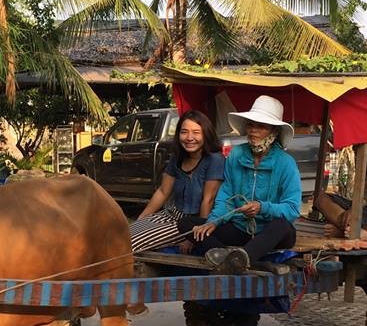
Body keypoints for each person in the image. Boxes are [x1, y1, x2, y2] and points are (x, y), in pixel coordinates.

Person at [178, 95, 301, 273]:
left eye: (261, 126)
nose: (253, 131)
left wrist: (262, 207)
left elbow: (292, 209)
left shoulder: (286, 163)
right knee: (187, 224)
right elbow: (225, 197)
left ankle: (239, 257)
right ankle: (239, 259)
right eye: (251, 125)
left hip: (269, 234)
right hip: (239, 229)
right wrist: (213, 222)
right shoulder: (236, 155)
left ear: (274, 132)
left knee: (282, 226)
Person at [128, 110, 225, 253]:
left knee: (132, 243)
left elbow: (208, 200)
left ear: (206, 134)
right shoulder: (178, 157)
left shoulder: (214, 159)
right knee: (124, 233)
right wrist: (141, 218)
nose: (189, 137)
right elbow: (162, 191)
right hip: (171, 214)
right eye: (184, 132)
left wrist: (193, 236)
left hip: (192, 222)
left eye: (196, 132)